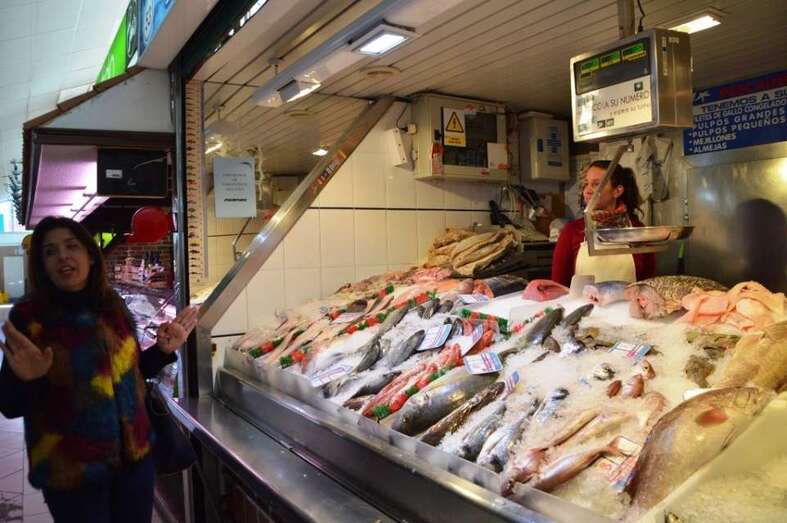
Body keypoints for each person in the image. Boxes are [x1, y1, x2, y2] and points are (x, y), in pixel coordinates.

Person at [0, 217, 198, 523]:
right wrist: (29, 379)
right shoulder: (29, 318)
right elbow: (9, 405)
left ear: (90, 256)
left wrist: (162, 351)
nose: (62, 256)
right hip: (73, 473)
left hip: (134, 463)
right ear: (42, 264)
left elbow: (132, 374)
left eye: (71, 246)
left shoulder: (112, 306)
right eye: (50, 251)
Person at [551, 160, 656, 286]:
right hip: (584, 300)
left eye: (596, 184)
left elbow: (648, 284)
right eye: (586, 184)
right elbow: (558, 286)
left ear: (617, 191)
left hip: (628, 299)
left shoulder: (637, 230)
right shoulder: (572, 231)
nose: (587, 191)